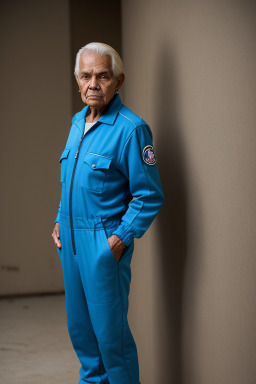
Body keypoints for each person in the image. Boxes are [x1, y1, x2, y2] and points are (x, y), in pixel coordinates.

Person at [51, 42, 165, 384]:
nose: (93, 84)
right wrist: (60, 218)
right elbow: (71, 182)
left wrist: (119, 239)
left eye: (102, 76)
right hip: (69, 241)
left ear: (119, 80)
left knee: (111, 342)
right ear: (77, 80)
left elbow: (149, 195)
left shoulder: (131, 129)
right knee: (83, 339)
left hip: (102, 243)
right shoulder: (77, 123)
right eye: (85, 76)